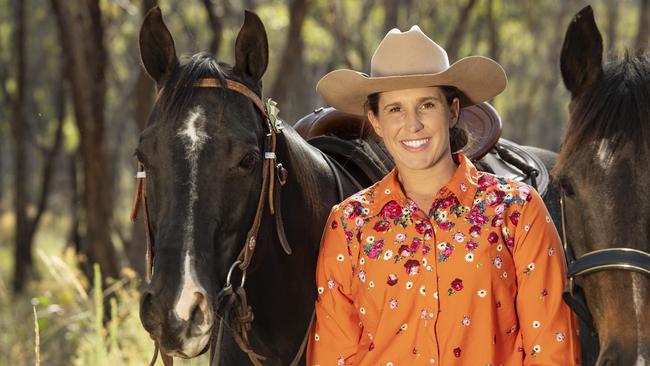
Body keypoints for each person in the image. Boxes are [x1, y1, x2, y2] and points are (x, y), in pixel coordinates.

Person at [307, 26, 580, 365]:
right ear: (375, 121)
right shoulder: (350, 224)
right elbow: (334, 353)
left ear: (451, 111)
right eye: (394, 109)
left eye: (426, 105)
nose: (413, 124)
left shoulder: (515, 210)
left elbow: (551, 348)